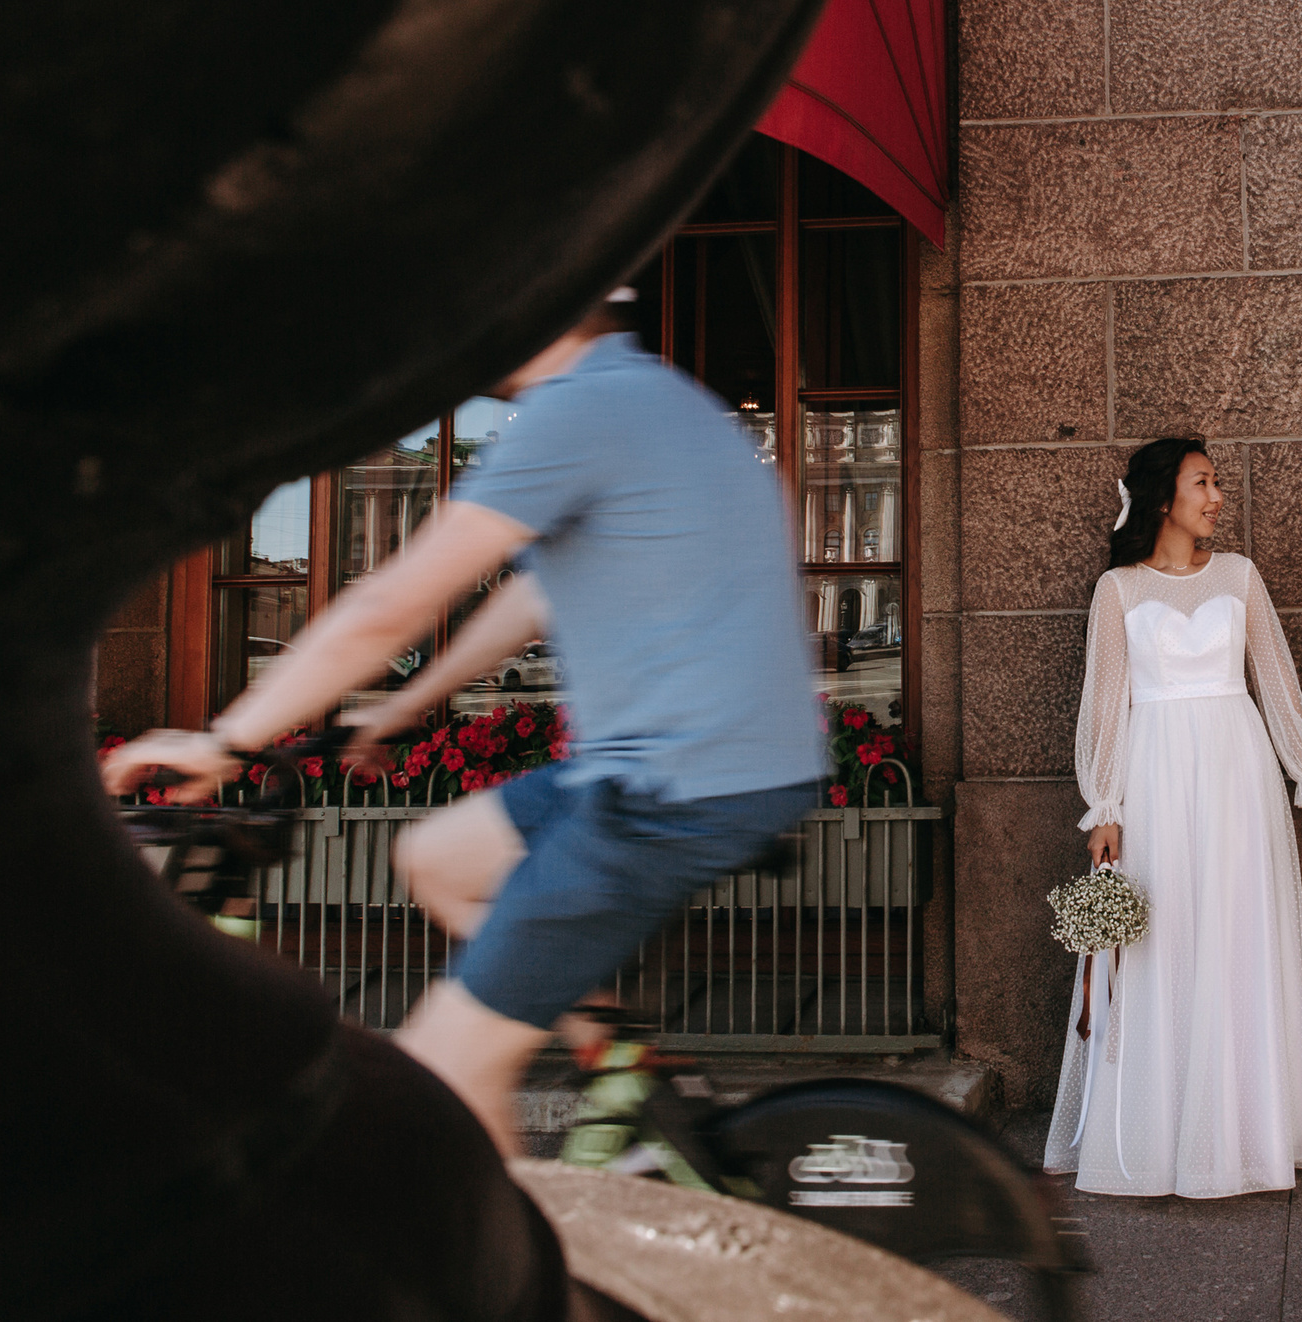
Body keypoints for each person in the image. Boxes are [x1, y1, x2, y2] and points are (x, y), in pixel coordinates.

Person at [104, 294, 822, 1153]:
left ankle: (523, 1270)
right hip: (690, 767)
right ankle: (613, 1055)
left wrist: (225, 742)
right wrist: (401, 711)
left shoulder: (577, 411)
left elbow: (387, 605)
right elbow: (528, 596)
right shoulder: (649, 397)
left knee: (444, 1079)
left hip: (667, 787)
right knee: (438, 858)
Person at [1046, 438, 1302, 1197]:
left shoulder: (1241, 577)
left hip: (1236, 777)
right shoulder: (1117, 590)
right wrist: (1103, 805)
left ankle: (1244, 1134)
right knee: (1161, 940)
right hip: (1153, 777)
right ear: (1162, 498)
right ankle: (1153, 1133)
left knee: (1238, 935)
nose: (1216, 496)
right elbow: (1104, 702)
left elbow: (1275, 680)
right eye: (1202, 482)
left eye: (1215, 482)